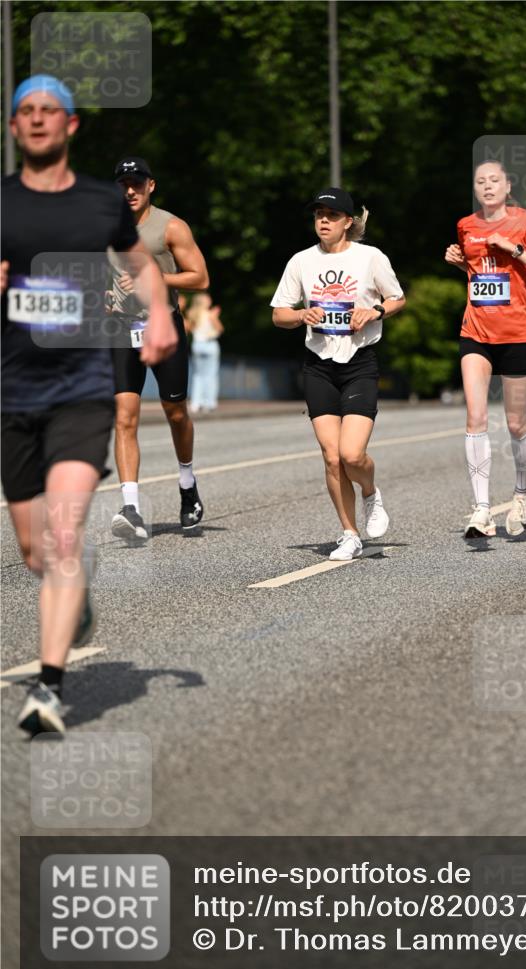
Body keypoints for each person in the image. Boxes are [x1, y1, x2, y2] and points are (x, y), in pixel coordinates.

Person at [1, 76, 176, 735]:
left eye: (49, 110)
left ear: (70, 125)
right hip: (13, 391)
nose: (37, 119)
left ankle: (48, 688)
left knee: (64, 532)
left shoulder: (102, 202)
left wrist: (161, 314)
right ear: (14, 125)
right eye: (26, 111)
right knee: (33, 549)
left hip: (81, 387)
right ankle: (75, 599)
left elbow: (141, 265)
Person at [271, 187, 406, 560]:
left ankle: (370, 493)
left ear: (348, 222)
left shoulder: (370, 257)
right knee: (332, 457)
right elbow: (279, 314)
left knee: (351, 454)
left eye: (331, 215)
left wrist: (375, 312)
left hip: (359, 362)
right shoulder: (301, 261)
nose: (324, 221)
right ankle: (349, 534)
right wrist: (301, 314)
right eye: (319, 215)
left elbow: (397, 298)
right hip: (318, 365)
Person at [444, 160, 526, 539]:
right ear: (475, 188)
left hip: (518, 335)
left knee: (515, 423)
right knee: (475, 417)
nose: (488, 186)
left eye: (495, 180)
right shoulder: (466, 225)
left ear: (508, 187)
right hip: (476, 332)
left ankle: (522, 493)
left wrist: (515, 248)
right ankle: (481, 510)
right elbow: (481, 275)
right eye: (481, 181)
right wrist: (460, 263)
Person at [107, 156, 209, 538]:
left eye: (137, 183)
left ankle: (187, 483)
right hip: (122, 329)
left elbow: (200, 277)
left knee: (175, 412)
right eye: (123, 184)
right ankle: (131, 508)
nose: (130, 190)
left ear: (150, 186)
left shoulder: (170, 226)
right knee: (124, 416)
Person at [187, 293, 224, 413]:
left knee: (198, 375)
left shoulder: (192, 314)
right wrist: (215, 316)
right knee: (211, 375)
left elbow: (190, 329)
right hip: (210, 344)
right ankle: (209, 403)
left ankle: (196, 403)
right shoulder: (210, 314)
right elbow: (220, 329)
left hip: (197, 345)